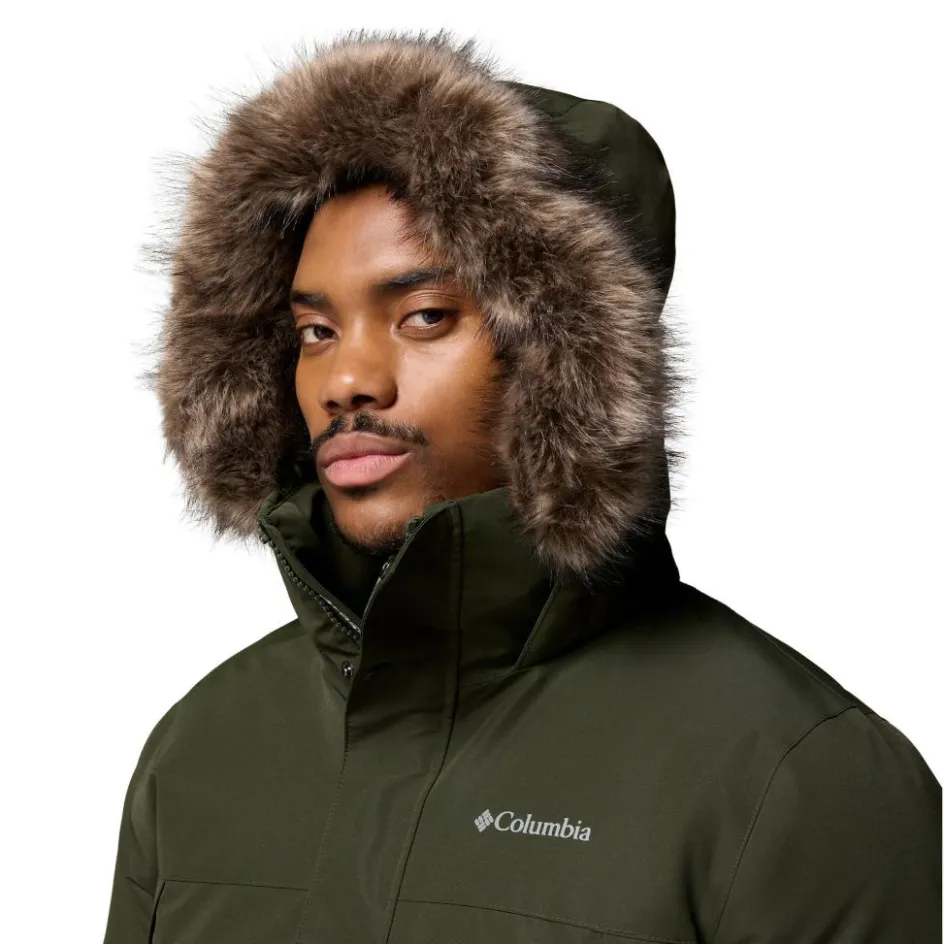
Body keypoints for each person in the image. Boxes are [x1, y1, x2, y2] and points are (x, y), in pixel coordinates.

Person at [102, 28, 941, 944]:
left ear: (564, 359)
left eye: (424, 316)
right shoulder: (201, 753)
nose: (346, 380)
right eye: (314, 332)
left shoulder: (794, 780)